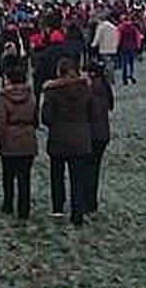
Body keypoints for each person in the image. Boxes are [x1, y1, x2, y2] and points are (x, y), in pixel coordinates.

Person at [42, 57, 93, 226]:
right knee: (77, 178)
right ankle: (77, 213)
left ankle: (58, 208)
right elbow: (92, 113)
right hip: (80, 139)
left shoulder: (52, 91)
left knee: (57, 175)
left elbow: (46, 118)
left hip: (58, 138)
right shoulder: (85, 89)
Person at [0, 60, 38, 219]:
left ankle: (8, 204)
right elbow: (36, 117)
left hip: (9, 140)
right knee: (25, 177)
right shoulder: (31, 96)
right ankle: (24, 208)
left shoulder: (4, 97)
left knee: (8, 175)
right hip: (28, 139)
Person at [84, 60, 113, 214]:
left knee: (88, 169)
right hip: (103, 133)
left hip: (92, 134)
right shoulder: (105, 88)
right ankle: (91, 201)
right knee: (95, 169)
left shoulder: (91, 90)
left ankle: (87, 201)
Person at [91, 15, 119, 85]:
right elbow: (117, 37)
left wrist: (93, 45)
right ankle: (112, 77)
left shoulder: (101, 27)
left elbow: (97, 38)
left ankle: (107, 79)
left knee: (106, 64)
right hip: (112, 48)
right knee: (111, 63)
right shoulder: (113, 27)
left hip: (104, 48)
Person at [117, 18, 143, 85]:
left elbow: (119, 38)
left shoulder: (121, 28)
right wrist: (138, 47)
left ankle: (124, 78)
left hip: (124, 48)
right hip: (132, 47)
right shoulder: (133, 28)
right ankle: (131, 75)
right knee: (131, 63)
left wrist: (117, 46)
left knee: (124, 64)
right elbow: (138, 38)